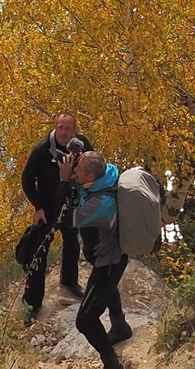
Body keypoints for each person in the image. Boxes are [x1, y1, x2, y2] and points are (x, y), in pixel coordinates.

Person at [19, 111, 91, 320]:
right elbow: (26, 179)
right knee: (38, 253)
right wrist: (38, 207)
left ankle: (69, 282)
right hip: (47, 209)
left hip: (70, 205)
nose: (63, 132)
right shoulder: (42, 150)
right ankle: (32, 304)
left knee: (72, 244)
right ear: (55, 127)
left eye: (67, 128)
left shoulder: (81, 145)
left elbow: (94, 169)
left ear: (74, 130)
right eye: (60, 127)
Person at [68, 148, 136, 366]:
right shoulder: (104, 178)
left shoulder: (102, 203)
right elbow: (82, 189)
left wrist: (63, 181)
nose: (74, 171)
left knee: (85, 321)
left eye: (78, 169)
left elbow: (68, 218)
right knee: (108, 289)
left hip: (109, 263)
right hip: (107, 258)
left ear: (90, 176)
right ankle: (120, 327)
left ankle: (111, 362)